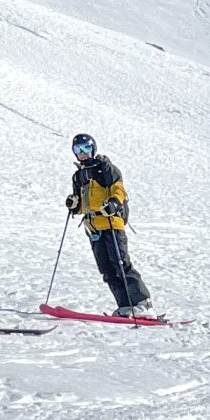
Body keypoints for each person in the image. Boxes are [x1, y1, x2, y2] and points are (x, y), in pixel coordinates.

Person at [67, 132, 152, 315]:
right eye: (78, 149)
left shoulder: (105, 168)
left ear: (93, 148)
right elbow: (83, 204)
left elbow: (119, 190)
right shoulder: (78, 176)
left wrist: (114, 203)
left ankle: (143, 304)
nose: (82, 153)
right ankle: (125, 306)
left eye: (86, 148)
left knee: (121, 263)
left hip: (111, 223)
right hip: (94, 227)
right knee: (106, 269)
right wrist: (74, 205)